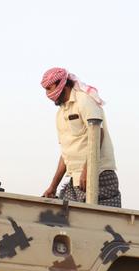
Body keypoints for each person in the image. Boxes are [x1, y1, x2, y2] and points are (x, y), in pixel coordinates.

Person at [40, 67, 122, 207]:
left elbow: (98, 133)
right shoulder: (61, 114)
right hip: (76, 179)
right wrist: (53, 186)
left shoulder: (83, 100)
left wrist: (88, 170)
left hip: (98, 175)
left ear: (62, 84)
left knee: (99, 221)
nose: (48, 94)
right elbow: (66, 154)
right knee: (64, 220)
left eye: (50, 88)